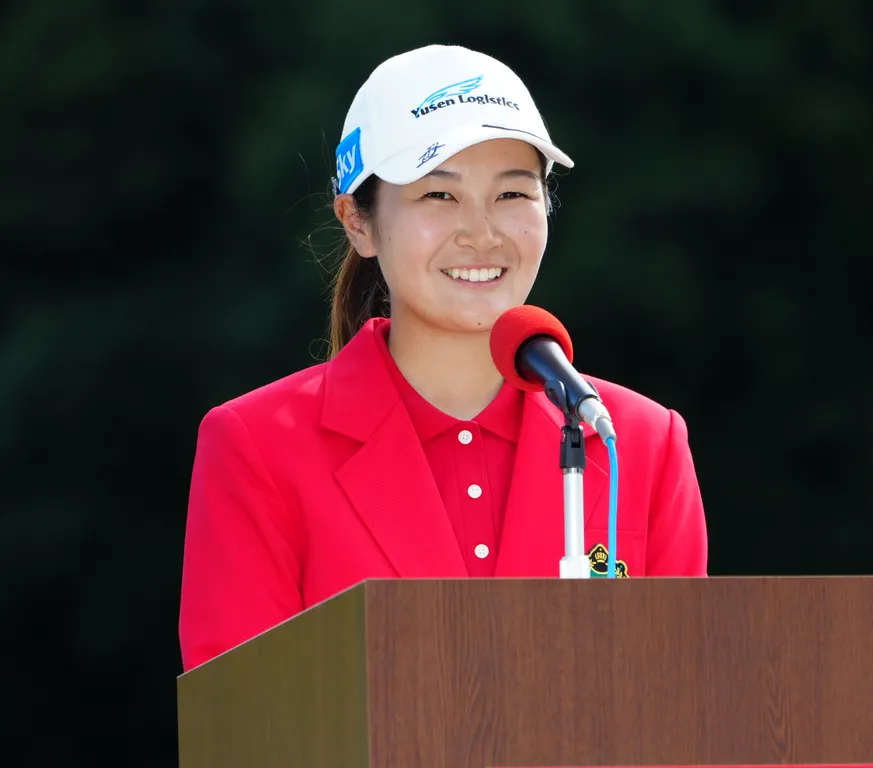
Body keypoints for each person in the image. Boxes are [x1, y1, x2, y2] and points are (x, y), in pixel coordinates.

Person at [177, 44, 708, 671]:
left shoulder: (638, 442)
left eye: (513, 194)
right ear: (358, 222)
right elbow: (242, 714)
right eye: (439, 195)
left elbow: (684, 700)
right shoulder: (258, 447)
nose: (482, 233)